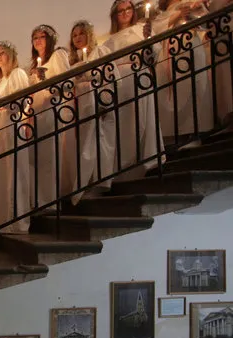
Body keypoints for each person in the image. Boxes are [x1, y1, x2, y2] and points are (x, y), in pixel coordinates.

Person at [103, 0, 165, 178]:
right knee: (125, 123)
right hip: (121, 84)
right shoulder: (109, 41)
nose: (124, 13)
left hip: (139, 76)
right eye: (120, 10)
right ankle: (126, 166)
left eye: (128, 9)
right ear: (115, 15)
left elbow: (154, 55)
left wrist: (148, 40)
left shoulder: (141, 29)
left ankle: (150, 159)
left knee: (144, 117)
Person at [63, 20, 118, 204]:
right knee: (80, 148)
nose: (78, 38)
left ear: (89, 35)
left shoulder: (99, 52)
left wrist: (105, 102)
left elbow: (110, 77)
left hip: (97, 104)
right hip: (80, 108)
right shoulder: (73, 61)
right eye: (74, 35)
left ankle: (97, 184)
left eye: (81, 34)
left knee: (95, 147)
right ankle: (81, 185)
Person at [0, 40, 32, 232]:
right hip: (0, 128)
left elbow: (21, 101)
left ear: (11, 55)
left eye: (2, 53)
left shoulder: (17, 74)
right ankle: (2, 219)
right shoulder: (1, 82)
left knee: (13, 170)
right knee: (2, 172)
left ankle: (16, 220)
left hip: (12, 126)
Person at [152, 0, 213, 142]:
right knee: (173, 93)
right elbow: (156, 30)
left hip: (190, 47)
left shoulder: (191, 3)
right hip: (169, 53)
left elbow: (206, 24)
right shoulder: (162, 14)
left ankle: (197, 132)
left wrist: (191, 14)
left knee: (193, 87)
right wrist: (178, 15)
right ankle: (178, 135)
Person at [27, 24, 71, 207]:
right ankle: (37, 201)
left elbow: (67, 83)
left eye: (42, 37)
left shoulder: (57, 56)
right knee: (34, 158)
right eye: (35, 38)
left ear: (50, 39)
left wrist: (46, 81)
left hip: (50, 111)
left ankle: (50, 201)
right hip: (35, 114)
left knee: (49, 156)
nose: (38, 41)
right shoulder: (34, 65)